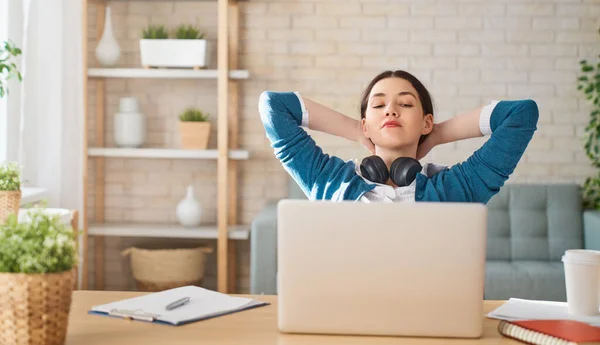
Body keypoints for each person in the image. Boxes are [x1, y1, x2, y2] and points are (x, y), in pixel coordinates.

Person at [258, 70, 538, 204]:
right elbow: (273, 105)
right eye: (379, 105)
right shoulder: (328, 179)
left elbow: (520, 114)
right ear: (366, 124)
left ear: (426, 121)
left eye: (405, 104)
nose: (391, 110)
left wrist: (437, 133)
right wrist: (357, 130)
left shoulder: (457, 188)